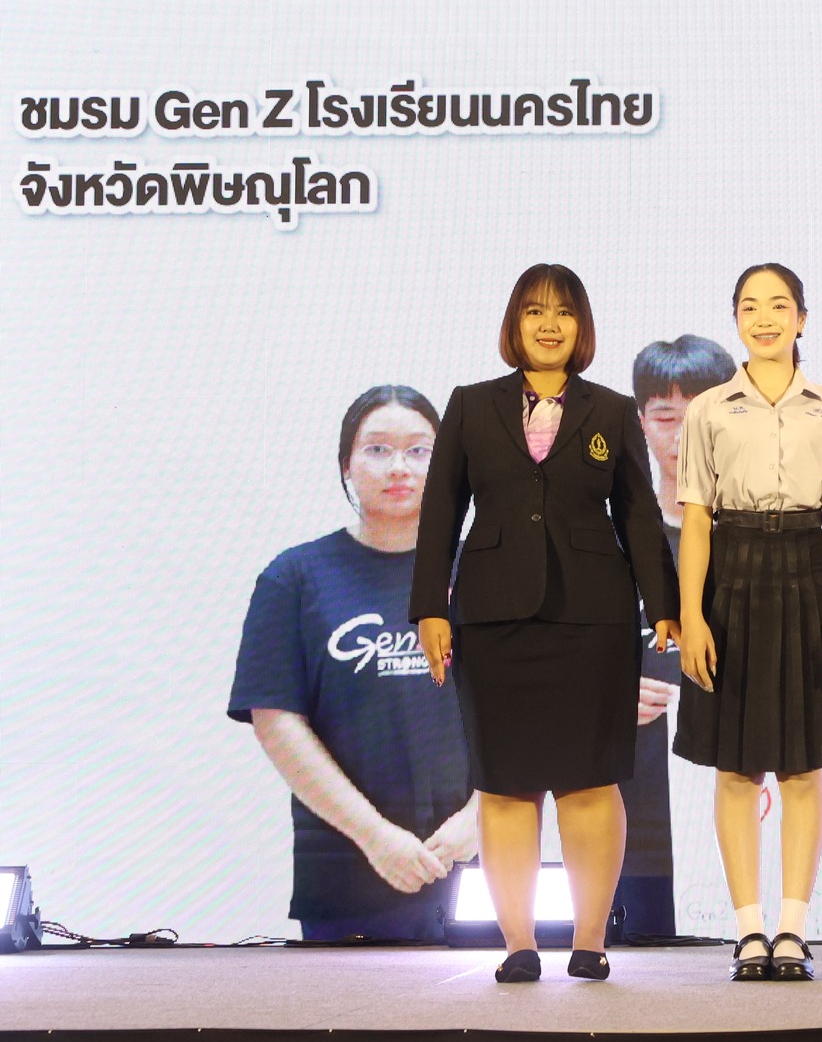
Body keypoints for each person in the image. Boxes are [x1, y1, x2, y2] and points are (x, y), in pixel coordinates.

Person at [410, 264, 680, 983]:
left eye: (564, 311)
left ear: (581, 325)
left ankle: (590, 941)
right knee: (506, 784)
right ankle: (519, 944)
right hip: (493, 619)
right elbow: (441, 512)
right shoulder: (471, 405)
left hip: (592, 618)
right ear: (515, 323)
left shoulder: (612, 409)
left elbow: (639, 515)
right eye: (535, 310)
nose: (549, 323)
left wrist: (665, 605)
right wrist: (430, 606)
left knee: (589, 781)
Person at [670, 264, 822, 982]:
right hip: (733, 572)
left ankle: (793, 929)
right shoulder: (708, 409)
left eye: (779, 305)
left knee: (804, 765)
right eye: (750, 306)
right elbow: (696, 520)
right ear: (736, 320)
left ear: (802, 318)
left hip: (810, 572)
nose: (765, 318)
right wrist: (692, 614)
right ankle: (748, 930)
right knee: (735, 766)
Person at [228, 385, 475, 942]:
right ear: (346, 465)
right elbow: (276, 720)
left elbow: (530, 703)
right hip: (345, 873)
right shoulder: (295, 578)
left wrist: (483, 817)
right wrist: (375, 837)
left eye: (419, 450)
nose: (399, 467)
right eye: (377, 449)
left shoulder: (488, 571)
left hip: (477, 863)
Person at [616, 335, 739, 940]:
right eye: (666, 418)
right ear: (641, 423)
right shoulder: (613, 535)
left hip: (741, 785)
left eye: (701, 415)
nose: (683, 435)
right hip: (636, 801)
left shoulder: (762, 532)